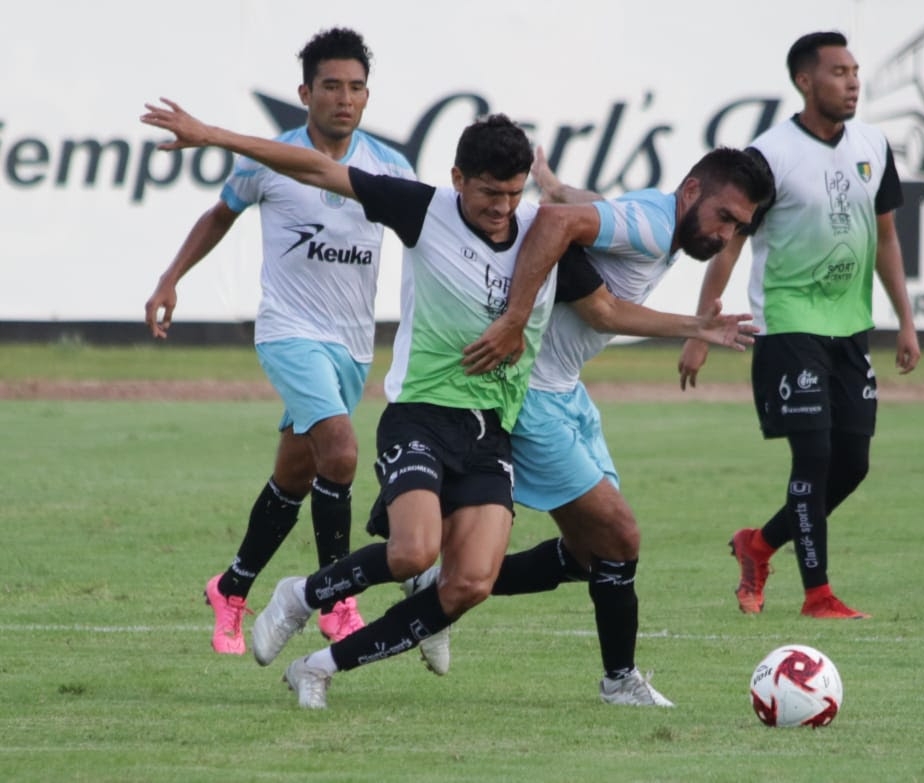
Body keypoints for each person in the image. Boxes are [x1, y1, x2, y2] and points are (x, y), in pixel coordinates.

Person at [142, 98, 588, 708]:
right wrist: (212, 134)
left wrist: (695, 325)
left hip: (491, 434)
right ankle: (302, 595)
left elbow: (611, 262)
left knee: (472, 584)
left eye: (513, 194)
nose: (502, 208)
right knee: (409, 551)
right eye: (489, 193)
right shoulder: (422, 208)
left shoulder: (539, 229)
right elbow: (314, 169)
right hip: (421, 416)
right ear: (457, 180)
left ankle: (316, 666)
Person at [444, 144, 773, 705]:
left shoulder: (655, 220)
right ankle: (619, 681)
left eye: (738, 228)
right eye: (724, 216)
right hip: (535, 398)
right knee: (620, 536)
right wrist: (518, 317)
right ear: (692, 192)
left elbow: (587, 205)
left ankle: (439, 589)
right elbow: (554, 221)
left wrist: (555, 181)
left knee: (588, 556)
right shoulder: (650, 224)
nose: (724, 235)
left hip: (567, 391)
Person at [143, 29, 415, 655]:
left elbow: (429, 242)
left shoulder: (389, 168)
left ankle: (231, 587)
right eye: (330, 87)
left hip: (351, 346)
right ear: (305, 93)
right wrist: (170, 277)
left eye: (355, 88)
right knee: (342, 454)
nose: (344, 99)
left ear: (367, 96)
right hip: (289, 333)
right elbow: (219, 215)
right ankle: (337, 598)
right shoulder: (269, 159)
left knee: (297, 475)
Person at [677, 31, 921, 620]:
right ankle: (818, 595)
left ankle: (758, 546)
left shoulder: (873, 144)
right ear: (805, 82)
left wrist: (906, 321)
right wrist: (699, 327)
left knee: (852, 464)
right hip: (786, 325)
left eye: (856, 70)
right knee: (811, 459)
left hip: (849, 327)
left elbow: (886, 236)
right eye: (838, 71)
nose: (853, 80)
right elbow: (729, 242)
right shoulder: (770, 155)